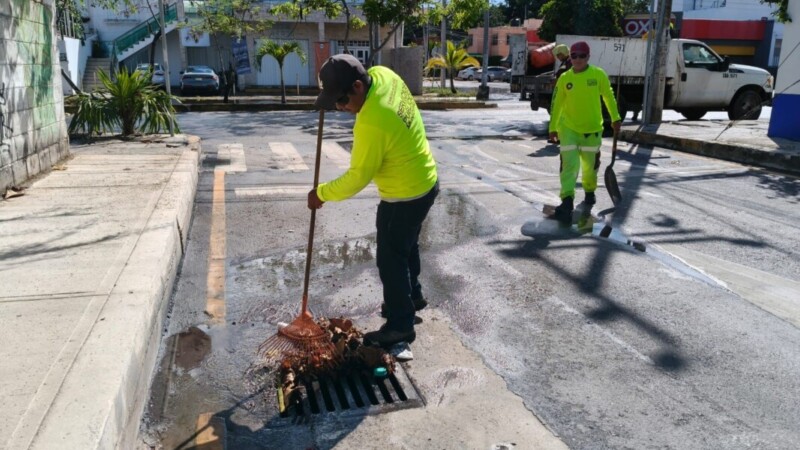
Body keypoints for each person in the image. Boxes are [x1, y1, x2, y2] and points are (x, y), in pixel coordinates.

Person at [308, 54, 439, 352]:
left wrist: (321, 194)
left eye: (341, 101)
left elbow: (357, 178)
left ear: (357, 86)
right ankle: (413, 296)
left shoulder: (372, 121)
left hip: (403, 195)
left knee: (391, 260)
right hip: (426, 181)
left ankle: (400, 326)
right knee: (406, 245)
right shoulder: (382, 74)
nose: (340, 109)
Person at [548, 41, 621, 222]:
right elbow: (556, 104)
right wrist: (553, 128)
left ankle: (589, 192)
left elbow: (608, 96)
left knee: (590, 169)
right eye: (574, 56)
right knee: (569, 166)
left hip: (593, 131)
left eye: (582, 56)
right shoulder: (565, 78)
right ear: (570, 57)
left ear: (588, 57)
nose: (578, 59)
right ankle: (567, 200)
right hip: (569, 129)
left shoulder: (598, 75)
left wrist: (615, 117)